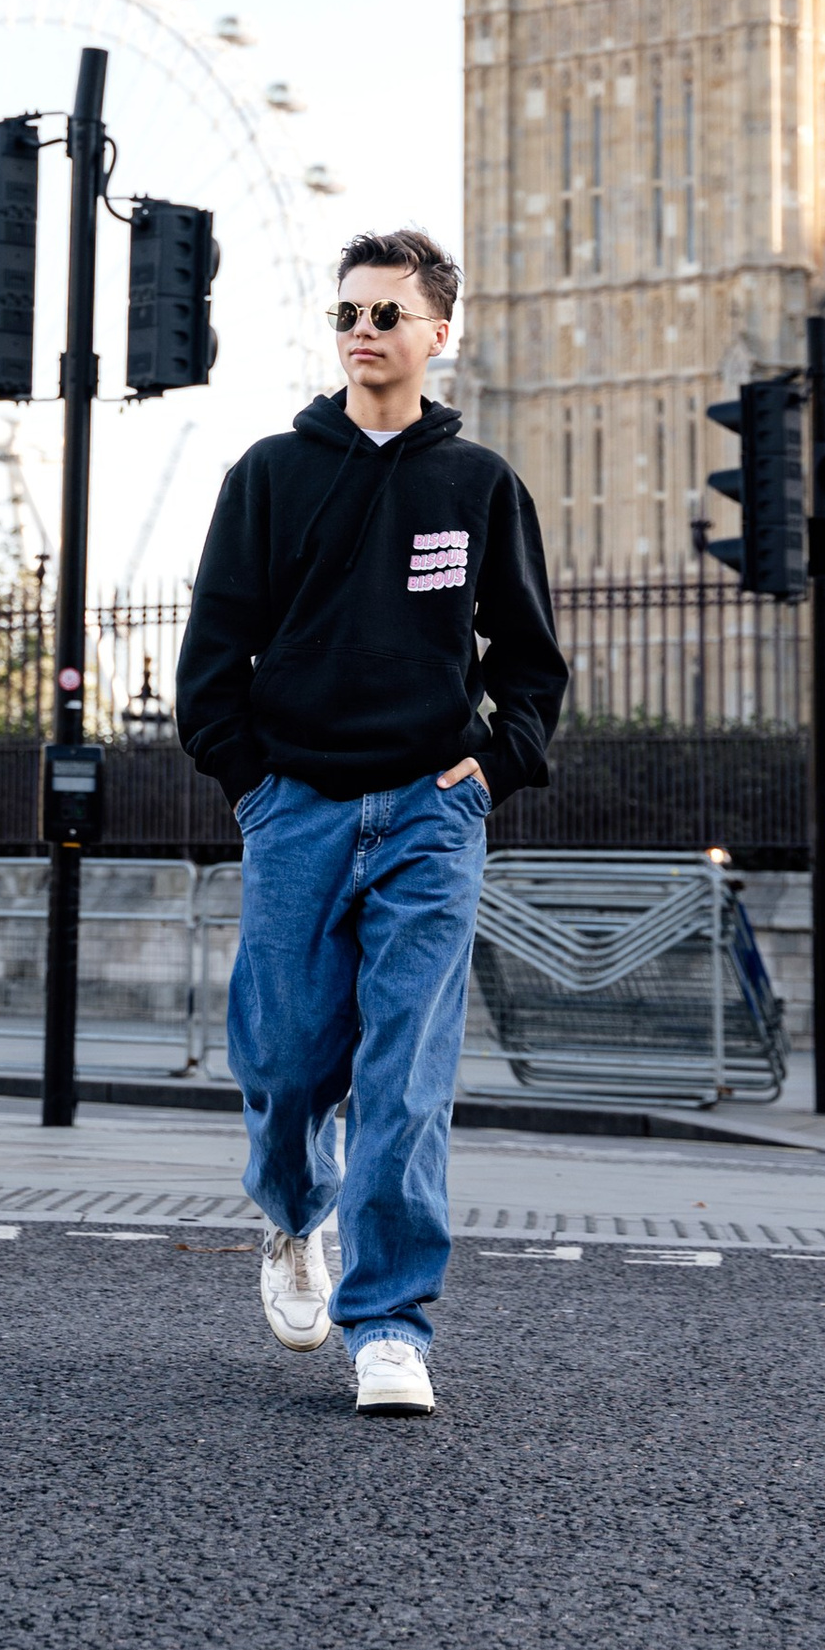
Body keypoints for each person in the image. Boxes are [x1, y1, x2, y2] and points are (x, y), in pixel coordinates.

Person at [175, 229, 565, 1416]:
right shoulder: (268, 474)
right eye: (348, 310)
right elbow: (211, 661)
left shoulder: (477, 484)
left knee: (405, 1072)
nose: (363, 329)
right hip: (295, 806)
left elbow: (531, 659)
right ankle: (297, 1214)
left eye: (388, 312)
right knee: (285, 1058)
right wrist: (254, 783)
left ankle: (390, 1321)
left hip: (428, 816)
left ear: (439, 331)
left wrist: (491, 769)